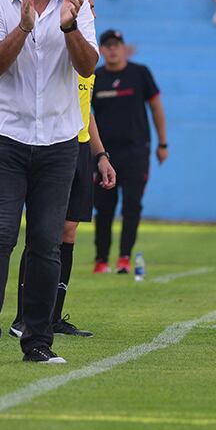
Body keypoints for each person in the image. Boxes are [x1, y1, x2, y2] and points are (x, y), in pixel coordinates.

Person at [0, 0, 97, 365]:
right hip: (5, 136)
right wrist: (22, 29)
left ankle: (37, 342)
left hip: (58, 140)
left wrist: (69, 28)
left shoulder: (75, 5)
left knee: (45, 242)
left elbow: (87, 67)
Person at [12, 0, 116, 332]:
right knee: (46, 232)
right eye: (86, 3)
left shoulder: (86, 56)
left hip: (81, 148)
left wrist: (100, 153)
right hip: (56, 145)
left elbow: (84, 108)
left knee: (68, 232)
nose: (92, 11)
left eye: (92, 5)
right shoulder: (59, 52)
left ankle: (52, 315)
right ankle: (24, 317)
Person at [90, 29, 166, 274]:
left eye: (116, 45)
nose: (112, 49)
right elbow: (84, 113)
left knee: (132, 205)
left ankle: (124, 257)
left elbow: (156, 108)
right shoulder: (94, 77)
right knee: (103, 208)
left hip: (135, 152)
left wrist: (162, 143)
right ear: (101, 50)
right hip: (104, 156)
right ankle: (101, 259)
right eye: (107, 45)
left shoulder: (139, 73)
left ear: (124, 48)